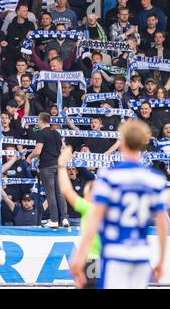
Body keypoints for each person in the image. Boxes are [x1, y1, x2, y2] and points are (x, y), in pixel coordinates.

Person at [70, 119, 169, 289]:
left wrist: (79, 256)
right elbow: (162, 222)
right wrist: (160, 259)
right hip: (140, 253)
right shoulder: (155, 179)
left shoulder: (109, 177)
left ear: (122, 144)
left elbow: (94, 219)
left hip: (115, 252)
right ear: (142, 144)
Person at [57, 145, 101, 288]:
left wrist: (62, 163)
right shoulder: (112, 209)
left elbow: (65, 189)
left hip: (91, 260)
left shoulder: (89, 208)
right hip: (110, 260)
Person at [26, 112, 69, 228]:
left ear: (40, 121)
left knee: (50, 194)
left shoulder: (41, 134)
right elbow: (63, 149)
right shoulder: (56, 133)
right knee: (60, 193)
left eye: (37, 120)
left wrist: (29, 157)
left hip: (47, 166)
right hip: (58, 165)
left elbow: (37, 151)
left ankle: (54, 220)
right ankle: (65, 219)